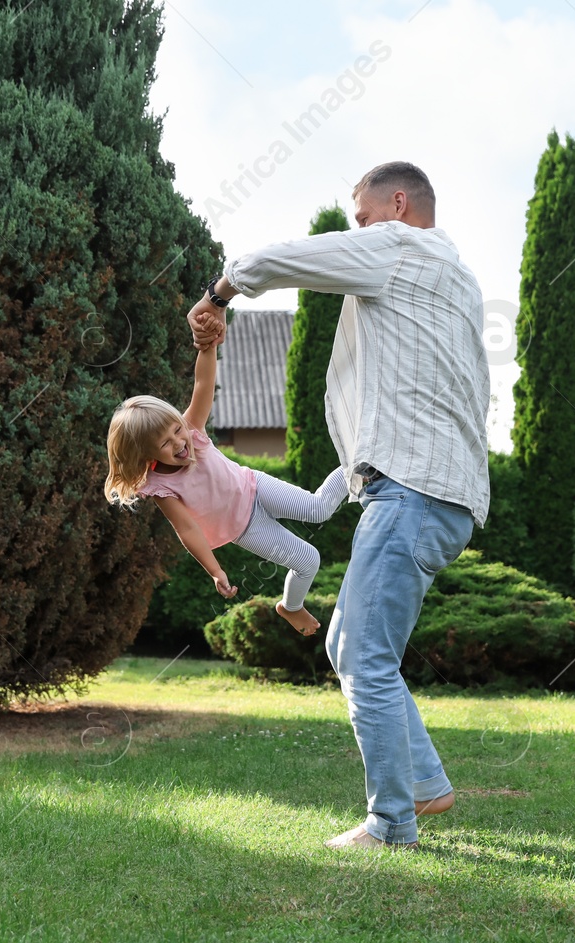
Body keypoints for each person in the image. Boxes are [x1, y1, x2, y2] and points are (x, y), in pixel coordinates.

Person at [187, 161, 490, 850]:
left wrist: (218, 293)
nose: (357, 230)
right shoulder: (459, 279)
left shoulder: (398, 245)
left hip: (412, 489)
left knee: (360, 654)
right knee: (348, 642)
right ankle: (425, 783)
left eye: (360, 215)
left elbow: (281, 259)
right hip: (448, 496)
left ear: (399, 204)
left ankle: (391, 822)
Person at [104, 318, 349, 635]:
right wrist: (215, 570)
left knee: (318, 508)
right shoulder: (160, 487)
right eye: (166, 443)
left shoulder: (193, 430)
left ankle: (359, 466)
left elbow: (202, 385)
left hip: (255, 485)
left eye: (177, 429)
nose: (180, 442)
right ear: (147, 455)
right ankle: (291, 607)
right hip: (244, 527)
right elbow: (188, 529)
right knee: (308, 560)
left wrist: (207, 346)